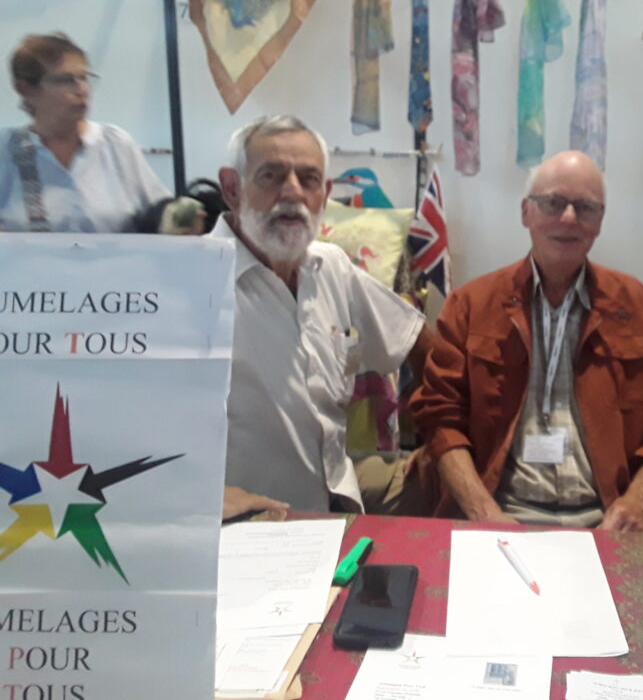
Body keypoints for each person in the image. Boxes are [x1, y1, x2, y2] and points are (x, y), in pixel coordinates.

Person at [410, 150, 643, 532]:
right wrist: (483, 512)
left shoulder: (642, 309)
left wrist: (636, 501)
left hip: (612, 516)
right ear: (525, 212)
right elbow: (439, 416)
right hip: (501, 510)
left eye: (585, 207)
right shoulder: (471, 307)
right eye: (554, 203)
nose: (569, 218)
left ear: (600, 222)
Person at [210, 114, 433, 514]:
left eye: (309, 179)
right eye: (271, 176)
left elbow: (421, 344)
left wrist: (440, 438)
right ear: (232, 189)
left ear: (325, 194)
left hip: (341, 491)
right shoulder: (190, 285)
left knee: (451, 479)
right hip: (254, 522)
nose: (292, 192)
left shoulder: (330, 265)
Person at [1, 33, 170, 232]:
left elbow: (163, 217)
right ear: (27, 89)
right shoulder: (7, 149)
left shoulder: (114, 143)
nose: (82, 89)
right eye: (66, 80)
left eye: (84, 78)